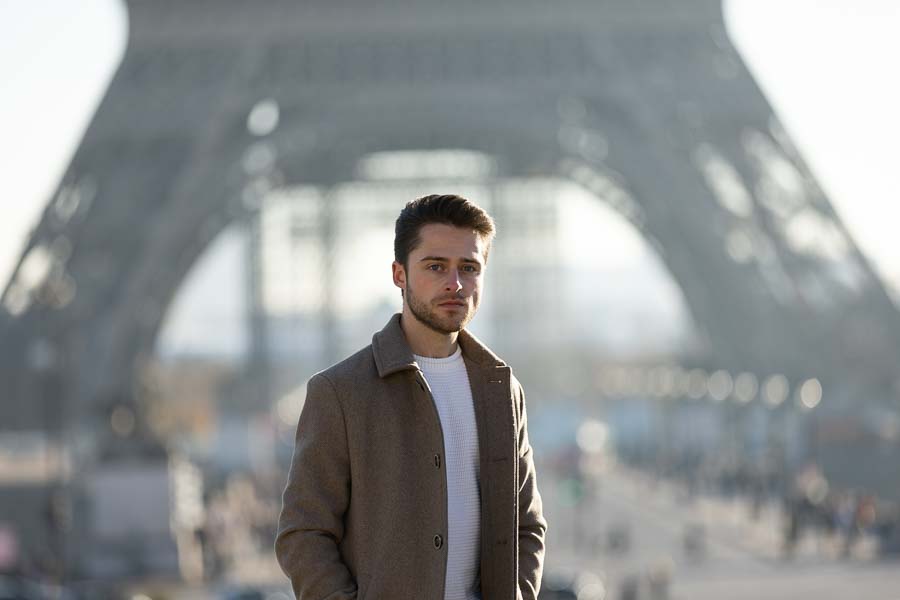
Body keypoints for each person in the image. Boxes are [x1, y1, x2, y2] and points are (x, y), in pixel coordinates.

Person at [276, 194, 547, 599]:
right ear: (399, 275)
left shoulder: (502, 390)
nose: (454, 283)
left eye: (468, 268)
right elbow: (304, 534)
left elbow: (527, 526)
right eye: (436, 266)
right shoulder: (339, 392)